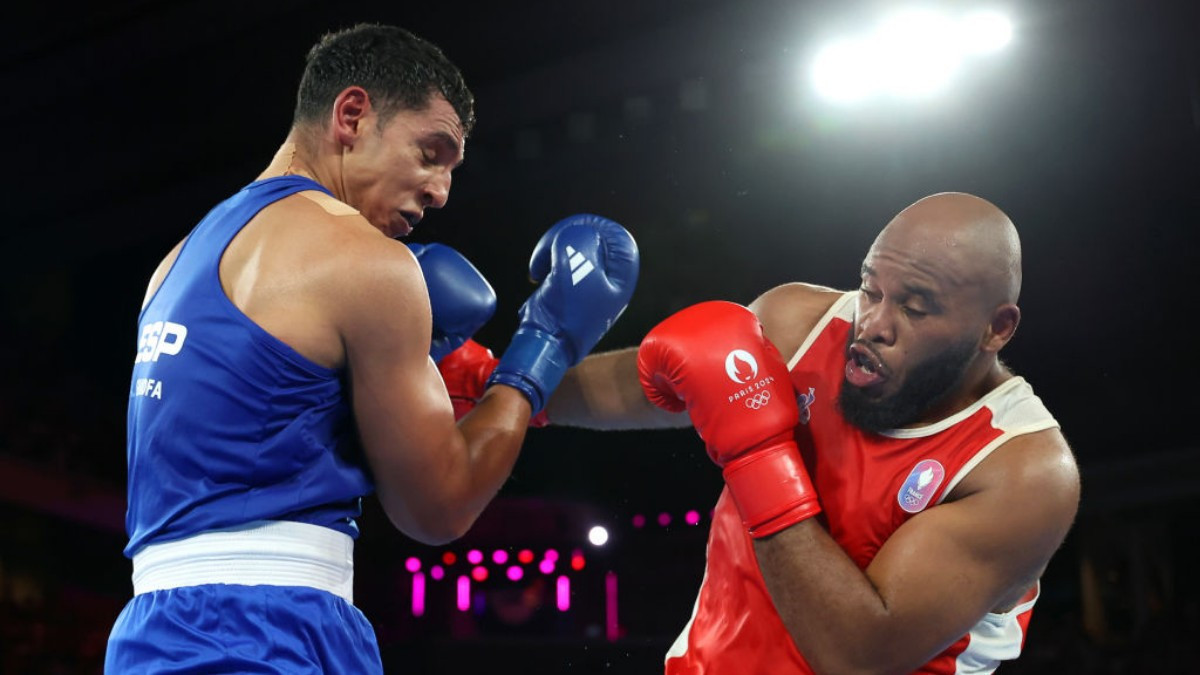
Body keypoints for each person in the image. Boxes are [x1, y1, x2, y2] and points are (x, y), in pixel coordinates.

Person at [106, 23, 639, 673]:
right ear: (352, 115)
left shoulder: (176, 263)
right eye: (430, 152)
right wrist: (543, 345)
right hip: (271, 631)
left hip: (149, 634)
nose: (441, 190)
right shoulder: (366, 262)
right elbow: (439, 506)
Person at [444, 191, 1080, 673]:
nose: (874, 324)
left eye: (915, 307)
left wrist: (756, 451)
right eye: (870, 287)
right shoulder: (798, 324)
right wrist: (505, 380)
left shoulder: (1019, 470)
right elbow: (649, 388)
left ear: (997, 327)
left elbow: (859, 651)